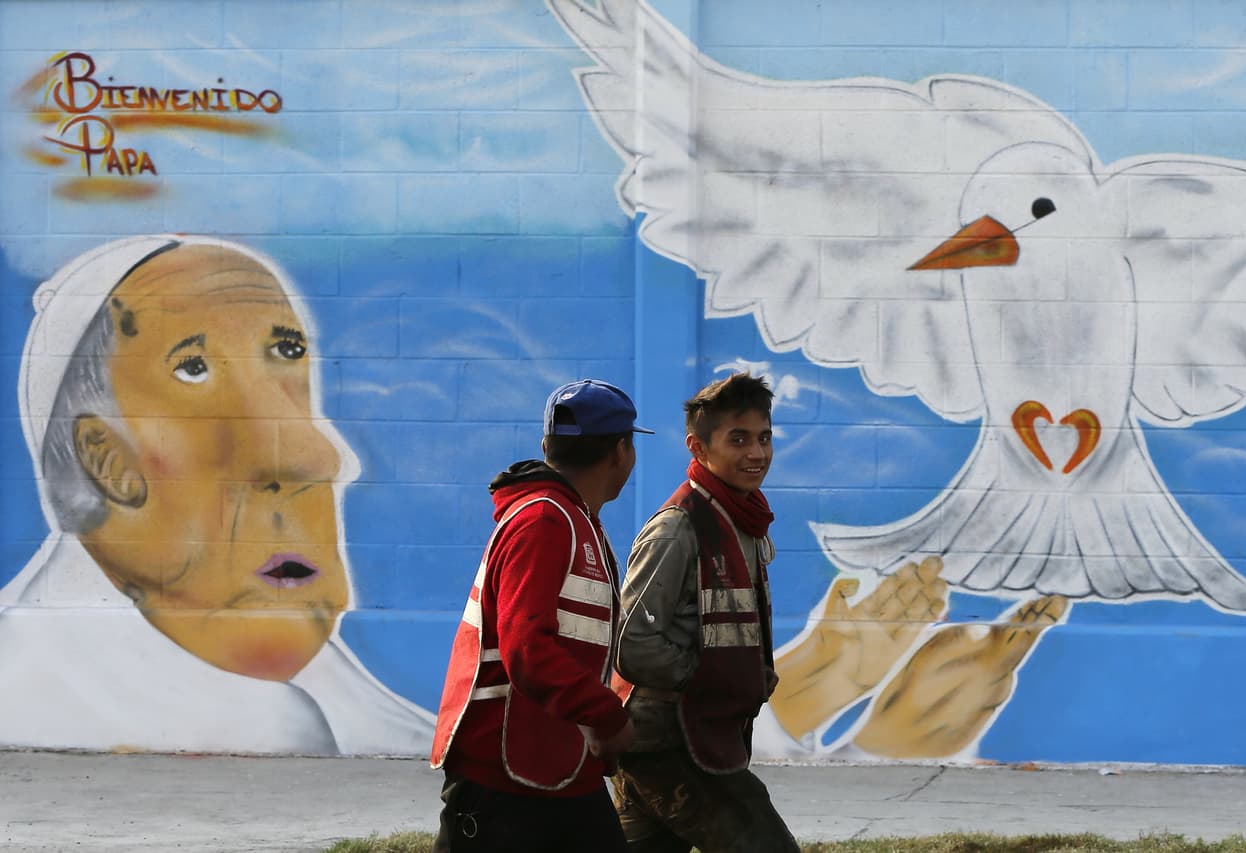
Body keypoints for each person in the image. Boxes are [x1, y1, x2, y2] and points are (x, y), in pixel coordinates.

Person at [0, 235, 435, 755]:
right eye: (193, 368)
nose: (319, 457)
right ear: (106, 461)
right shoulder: (28, 685)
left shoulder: (359, 717)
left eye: (288, 353)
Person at [430, 379, 652, 852]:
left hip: (557, 769)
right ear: (621, 452)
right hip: (502, 779)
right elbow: (527, 650)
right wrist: (607, 718)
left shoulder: (572, 519)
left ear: (547, 446)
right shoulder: (545, 520)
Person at [611, 372, 801, 852]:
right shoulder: (677, 528)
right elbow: (632, 645)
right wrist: (716, 677)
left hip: (695, 731)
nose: (757, 453)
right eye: (738, 439)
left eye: (764, 438)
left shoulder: (742, 518)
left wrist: (752, 673)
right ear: (697, 447)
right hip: (666, 740)